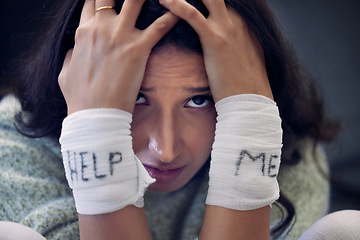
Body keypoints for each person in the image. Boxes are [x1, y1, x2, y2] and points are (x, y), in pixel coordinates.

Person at [1, 0, 355, 239]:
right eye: (137, 97)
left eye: (199, 100)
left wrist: (250, 119)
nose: (165, 149)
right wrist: (94, 126)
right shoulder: (13, 146)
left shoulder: (284, 149)